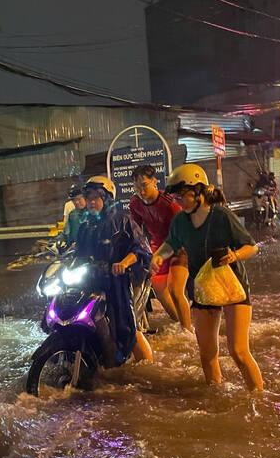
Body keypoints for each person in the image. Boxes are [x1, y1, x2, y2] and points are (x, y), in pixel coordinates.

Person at [151, 164, 263, 391]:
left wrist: (234, 255)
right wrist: (157, 257)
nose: (179, 200)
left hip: (233, 288)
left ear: (199, 191)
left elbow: (251, 247)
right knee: (207, 354)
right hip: (203, 290)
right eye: (176, 196)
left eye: (182, 195)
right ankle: (215, 394)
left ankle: (258, 397)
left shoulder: (221, 215)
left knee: (239, 352)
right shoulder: (181, 221)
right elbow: (172, 243)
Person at [75, 175, 153, 367]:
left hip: (121, 282)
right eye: (89, 197)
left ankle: (148, 368)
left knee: (127, 326)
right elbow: (79, 254)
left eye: (96, 197)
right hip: (94, 280)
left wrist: (124, 263)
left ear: (107, 198)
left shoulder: (123, 221)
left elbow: (142, 249)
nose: (92, 202)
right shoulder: (85, 227)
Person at [129, 164, 192, 332]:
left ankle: (188, 330)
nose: (141, 191)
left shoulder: (170, 204)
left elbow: (180, 234)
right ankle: (181, 324)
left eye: (144, 186)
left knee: (175, 289)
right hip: (157, 248)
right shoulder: (135, 203)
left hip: (179, 247)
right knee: (158, 288)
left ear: (154, 181)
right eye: (136, 188)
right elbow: (136, 230)